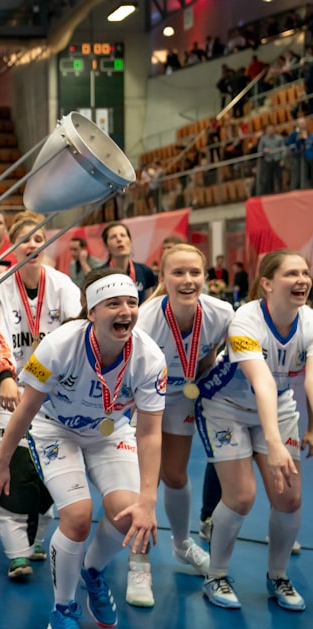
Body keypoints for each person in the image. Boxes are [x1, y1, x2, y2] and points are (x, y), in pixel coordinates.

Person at [0, 269, 167, 629]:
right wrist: (0, 461)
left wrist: (148, 499)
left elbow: (150, 433)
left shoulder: (149, 357)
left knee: (127, 514)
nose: (126, 311)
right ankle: (62, 610)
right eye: (114, 303)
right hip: (56, 431)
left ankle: (93, 571)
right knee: (79, 517)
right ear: (92, 311)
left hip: (111, 432)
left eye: (132, 303)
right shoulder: (59, 345)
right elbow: (27, 408)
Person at [195, 250, 312, 611]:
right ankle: (216, 573)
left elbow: (311, 379)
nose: (303, 280)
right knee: (242, 496)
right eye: (292, 273)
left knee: (289, 498)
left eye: (306, 273)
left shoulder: (309, 320)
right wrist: (274, 444)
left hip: (276, 406)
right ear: (266, 283)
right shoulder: (245, 320)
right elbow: (261, 382)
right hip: (225, 408)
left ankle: (277, 575)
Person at [126, 245, 233, 607]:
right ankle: (138, 563)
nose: (188, 281)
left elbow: (209, 352)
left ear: (205, 276)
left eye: (194, 273)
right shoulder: (146, 318)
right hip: (143, 398)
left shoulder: (221, 313)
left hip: (182, 395)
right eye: (178, 273)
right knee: (146, 480)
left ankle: (182, 544)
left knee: (175, 475)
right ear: (163, 279)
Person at [0, 214, 82, 579]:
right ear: (13, 246)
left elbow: (77, 333)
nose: (32, 245)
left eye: (38, 237)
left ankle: (37, 539)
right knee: (9, 469)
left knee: (49, 474)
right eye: (25, 238)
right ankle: (16, 554)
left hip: (54, 394)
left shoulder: (63, 285)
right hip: (10, 391)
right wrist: (6, 377)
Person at [102, 222, 158, 303]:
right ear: (106, 245)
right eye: (113, 237)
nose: (119, 239)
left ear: (130, 241)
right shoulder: (100, 275)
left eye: (123, 235)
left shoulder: (145, 271)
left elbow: (148, 304)